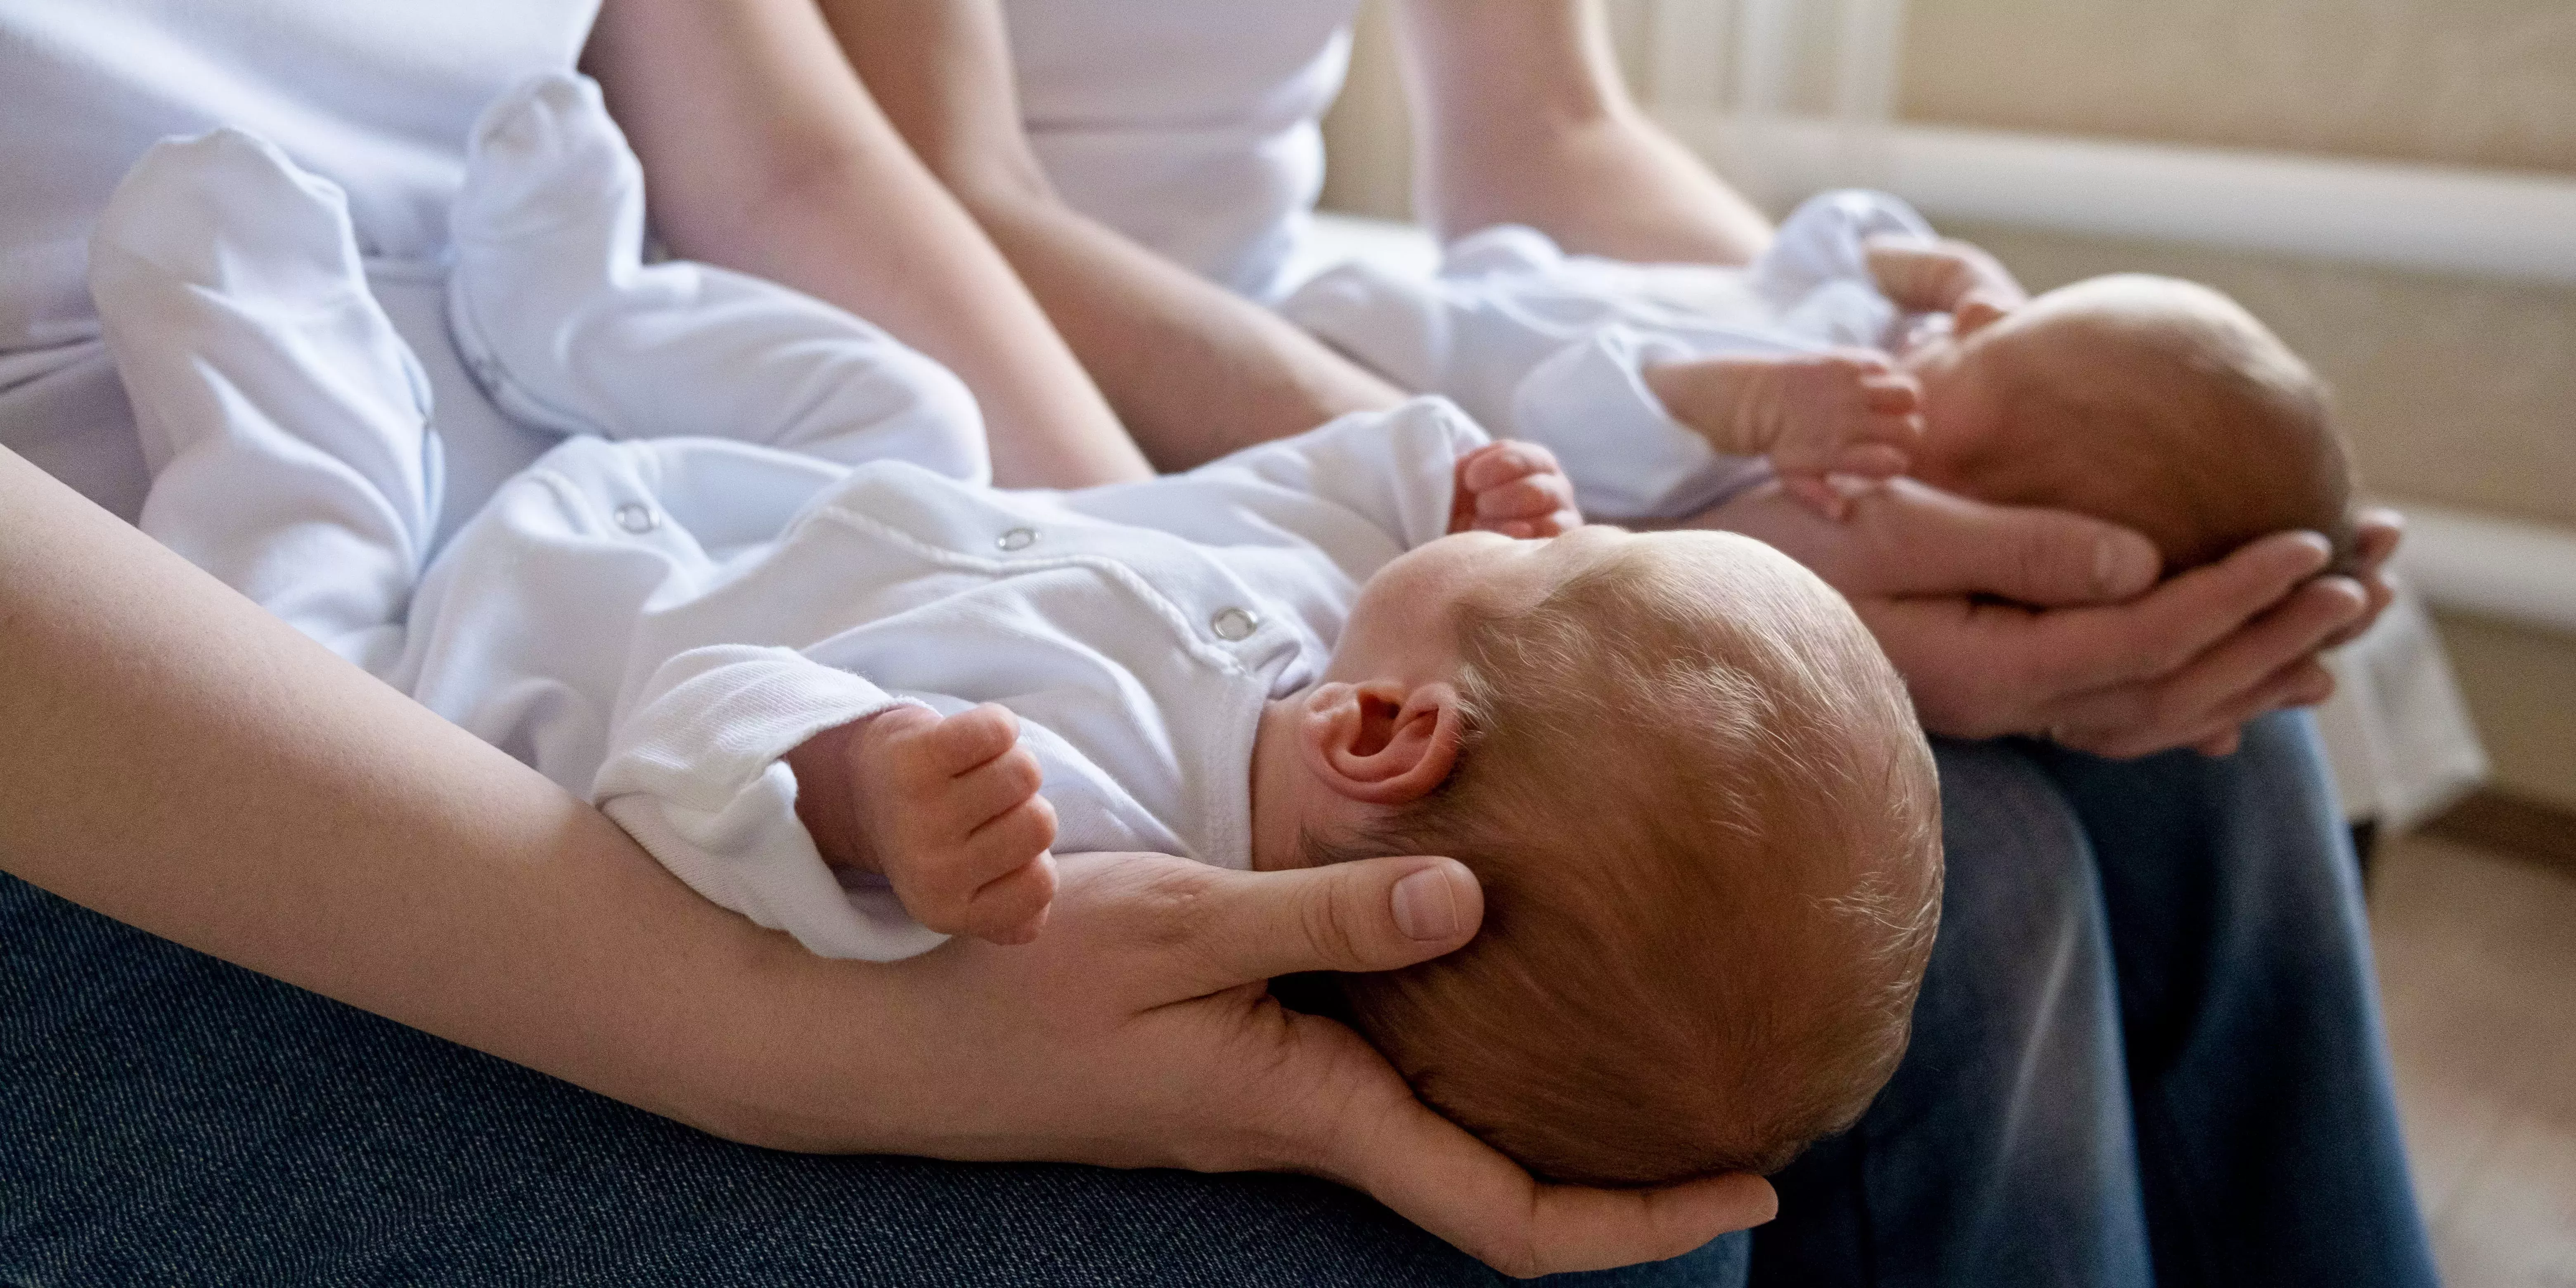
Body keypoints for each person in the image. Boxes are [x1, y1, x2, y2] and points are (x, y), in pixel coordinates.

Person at [0, 0, 1776, 1281]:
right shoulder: (1276, 680)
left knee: (1870, 965)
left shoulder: (1066, 793)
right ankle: (549, 302)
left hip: (565, 582)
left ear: (1387, 736)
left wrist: (861, 792)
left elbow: (794, 168)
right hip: (154, 715)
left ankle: (456, 324)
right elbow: (1319, 482)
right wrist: (773, 1039)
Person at [815, 0, 2439, 1282]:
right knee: (1977, 876)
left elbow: (1555, 133)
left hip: (1300, 328)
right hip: (1001, 350)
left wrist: (1840, 373)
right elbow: (939, 192)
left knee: (2217, 754)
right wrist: (1624, 544)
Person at [1282, 189, 2355, 568]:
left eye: (1980, 349)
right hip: (1502, 281)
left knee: (1354, 335)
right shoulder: (1887, 350)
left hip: (1424, 356)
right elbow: (1814, 246)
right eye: (1986, 314)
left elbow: (1566, 424)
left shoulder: (1806, 474)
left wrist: (1743, 410)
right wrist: (1926, 263)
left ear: (1967, 491)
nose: (1965, 318)